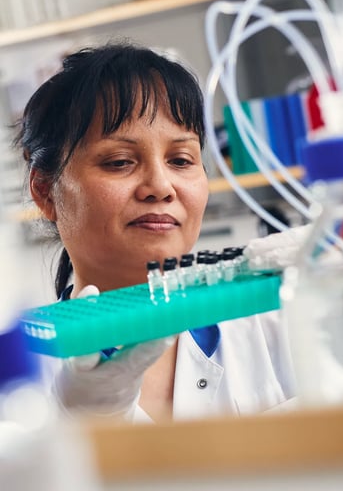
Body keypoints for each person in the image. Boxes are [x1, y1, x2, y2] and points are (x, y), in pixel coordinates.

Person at [14, 41, 297, 423]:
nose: (161, 186)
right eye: (119, 162)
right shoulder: (20, 377)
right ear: (45, 191)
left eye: (181, 160)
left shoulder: (278, 325)